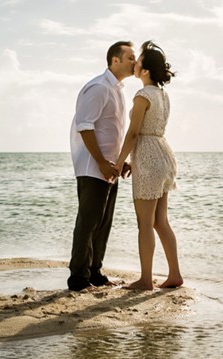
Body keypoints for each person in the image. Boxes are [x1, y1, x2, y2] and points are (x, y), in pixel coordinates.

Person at [67, 40, 136, 292]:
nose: (134, 62)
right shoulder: (97, 87)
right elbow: (84, 126)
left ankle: (95, 273)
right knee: (88, 223)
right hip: (92, 167)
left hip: (110, 168)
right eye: (130, 57)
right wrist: (100, 162)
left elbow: (112, 132)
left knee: (104, 222)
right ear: (114, 60)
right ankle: (78, 279)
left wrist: (120, 161)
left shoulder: (118, 89)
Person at [114, 40, 183, 290]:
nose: (135, 64)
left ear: (145, 71)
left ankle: (145, 279)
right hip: (163, 154)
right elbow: (149, 131)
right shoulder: (162, 94)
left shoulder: (142, 95)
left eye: (138, 61)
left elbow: (133, 133)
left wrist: (119, 162)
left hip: (149, 157)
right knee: (160, 221)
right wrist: (133, 159)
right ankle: (174, 274)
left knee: (145, 222)